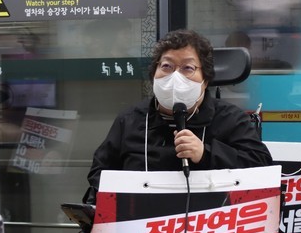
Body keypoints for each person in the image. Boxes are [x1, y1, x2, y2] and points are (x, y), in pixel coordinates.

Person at [83, 28, 272, 203]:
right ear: (153, 74)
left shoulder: (231, 119)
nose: (175, 77)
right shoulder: (130, 119)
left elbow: (261, 167)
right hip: (141, 226)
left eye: (187, 68)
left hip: (211, 227)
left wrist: (206, 153)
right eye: (166, 66)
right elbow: (100, 173)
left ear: (205, 80)